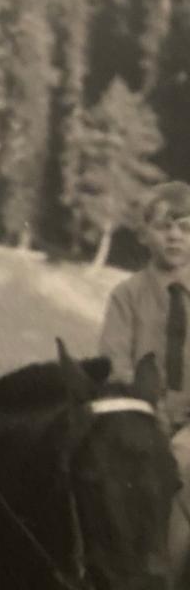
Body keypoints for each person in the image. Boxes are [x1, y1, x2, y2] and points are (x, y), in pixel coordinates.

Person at [100, 180, 190, 499]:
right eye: (164, 226)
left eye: (185, 227)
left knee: (182, 460)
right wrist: (151, 409)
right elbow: (117, 362)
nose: (175, 236)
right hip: (143, 415)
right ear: (144, 235)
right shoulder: (128, 295)